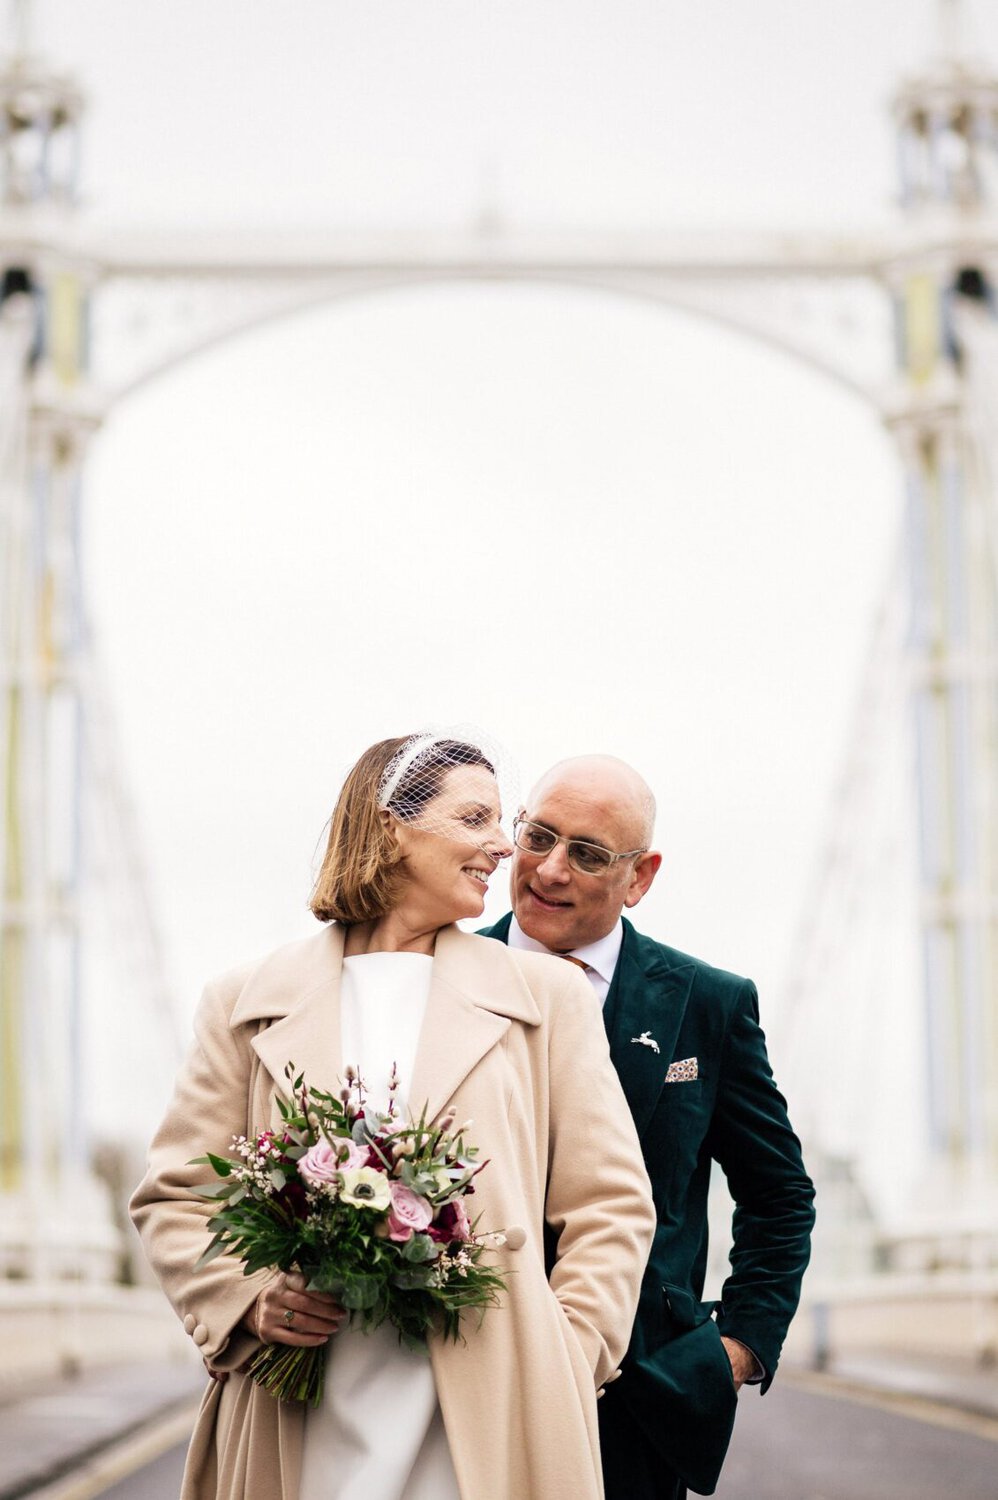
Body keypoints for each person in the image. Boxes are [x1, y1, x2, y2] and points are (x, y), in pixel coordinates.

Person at [131, 733, 656, 1500]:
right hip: (300, 1403)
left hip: (491, 1411)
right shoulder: (243, 1002)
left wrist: (564, 1361)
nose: (503, 846)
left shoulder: (550, 997)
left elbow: (608, 1205)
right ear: (390, 827)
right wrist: (245, 1300)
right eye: (476, 818)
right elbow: (176, 1195)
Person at [480, 754, 815, 1500]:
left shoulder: (709, 1003)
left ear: (641, 877)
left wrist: (737, 1349)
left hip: (638, 1403)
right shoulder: (441, 976)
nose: (550, 869)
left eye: (588, 854)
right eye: (537, 836)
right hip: (461, 1387)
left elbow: (779, 1195)